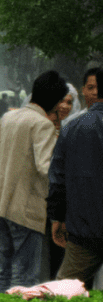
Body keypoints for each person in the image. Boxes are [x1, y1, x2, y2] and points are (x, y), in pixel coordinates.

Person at [0, 70, 68, 292]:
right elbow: (46, 167)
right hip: (26, 209)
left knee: (5, 271)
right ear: (55, 101)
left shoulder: (9, 117)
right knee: (25, 277)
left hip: (0, 205)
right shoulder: (42, 125)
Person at [48, 74, 103, 289]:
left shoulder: (73, 127)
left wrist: (57, 218)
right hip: (84, 227)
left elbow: (58, 177)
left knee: (65, 291)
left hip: (83, 229)